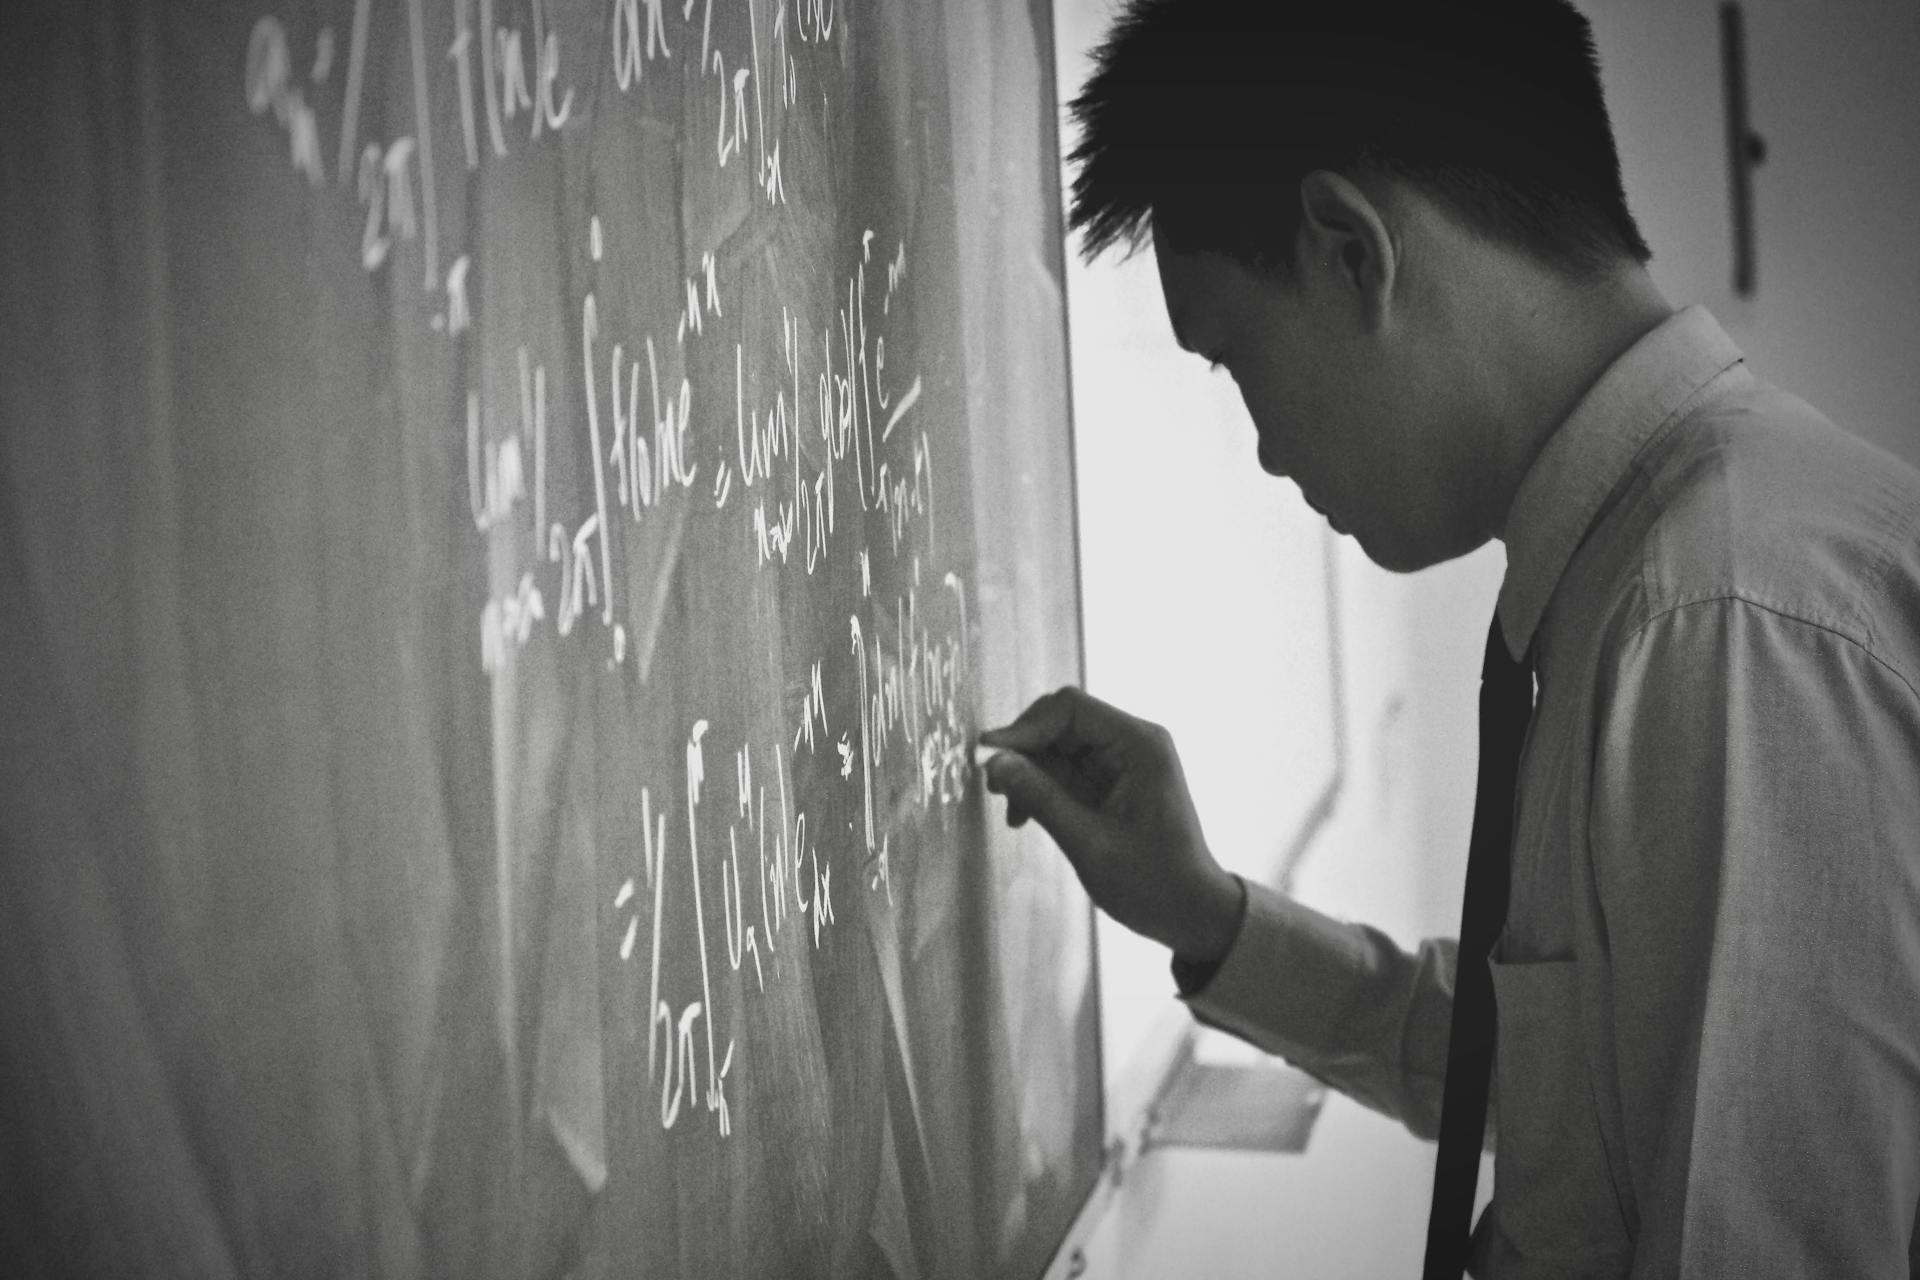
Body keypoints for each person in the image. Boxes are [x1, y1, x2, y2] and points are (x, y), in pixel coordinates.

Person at [978, 0, 1920, 1275]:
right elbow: (1551, 1077)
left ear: (1352, 250)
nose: (1260, 443)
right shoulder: (1649, 581)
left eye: (1236, 358)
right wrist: (1206, 913)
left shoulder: (1715, 625)